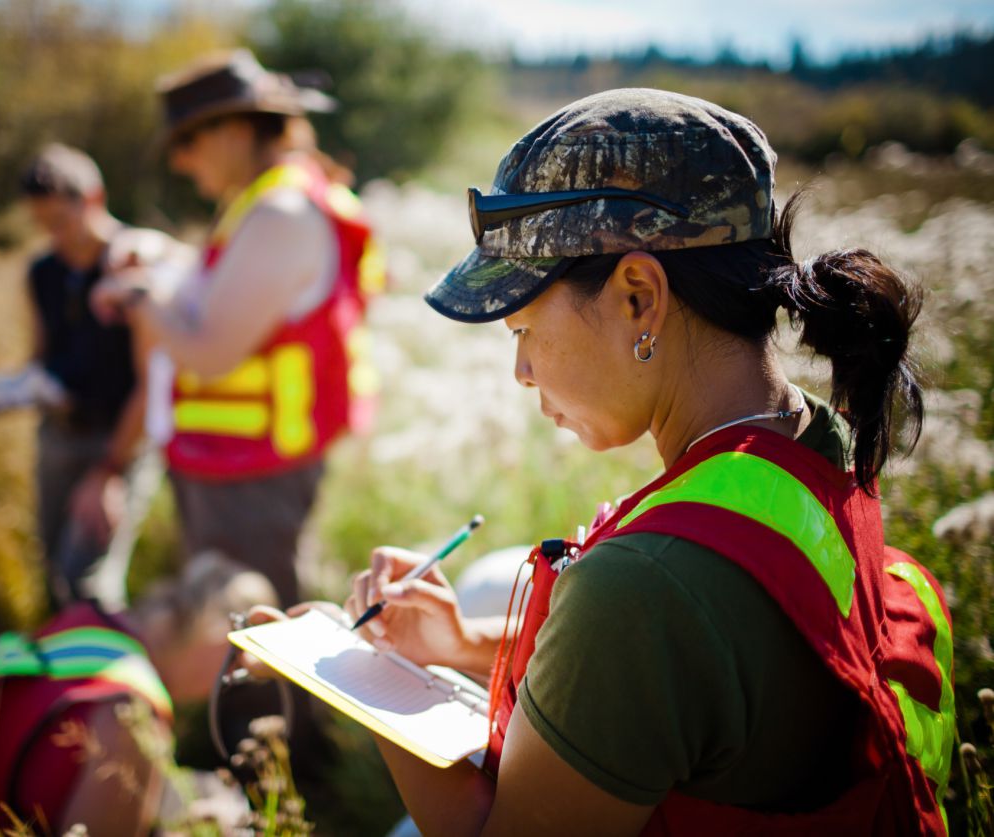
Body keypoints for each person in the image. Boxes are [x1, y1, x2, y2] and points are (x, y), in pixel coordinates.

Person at [337, 89, 955, 835]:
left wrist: (361, 682)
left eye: (523, 328)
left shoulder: (643, 581)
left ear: (638, 297)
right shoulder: (807, 439)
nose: (521, 371)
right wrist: (463, 646)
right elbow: (705, 669)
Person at [92, 50, 383, 609]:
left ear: (234, 130)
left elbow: (209, 354)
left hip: (251, 472)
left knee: (252, 638)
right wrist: (160, 254)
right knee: (240, 626)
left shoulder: (280, 213)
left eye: (187, 142)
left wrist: (139, 298)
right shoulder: (264, 202)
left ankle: (274, 705)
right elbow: (230, 287)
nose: (179, 161)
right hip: (239, 460)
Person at [0, 553, 274, 836]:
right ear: (215, 640)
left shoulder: (92, 621)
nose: (232, 679)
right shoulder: (133, 715)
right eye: (236, 662)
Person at [21, 143, 193, 611]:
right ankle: (58, 676)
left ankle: (108, 678)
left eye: (61, 222)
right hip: (58, 437)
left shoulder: (133, 264)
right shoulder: (41, 273)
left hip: (119, 440)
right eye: (42, 226)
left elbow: (149, 380)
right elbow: (39, 356)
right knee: (54, 574)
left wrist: (110, 470)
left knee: (88, 583)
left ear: (93, 199)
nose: (54, 237)